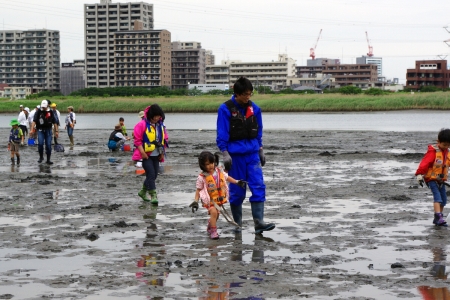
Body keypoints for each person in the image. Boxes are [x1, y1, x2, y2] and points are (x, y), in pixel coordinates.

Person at [216, 76, 275, 234]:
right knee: (237, 190)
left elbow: (259, 130)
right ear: (236, 93)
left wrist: (260, 148)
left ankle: (259, 223)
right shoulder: (225, 109)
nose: (247, 97)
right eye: (245, 94)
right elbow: (222, 133)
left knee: (258, 185)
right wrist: (225, 153)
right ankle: (237, 225)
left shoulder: (255, 109)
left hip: (252, 154)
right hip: (235, 156)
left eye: (250, 94)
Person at [189, 151, 246, 239]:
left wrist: (237, 182)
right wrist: (196, 201)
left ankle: (210, 226)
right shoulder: (202, 177)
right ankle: (214, 231)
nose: (210, 166)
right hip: (209, 200)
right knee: (214, 212)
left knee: (216, 216)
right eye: (207, 164)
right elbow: (198, 190)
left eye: (212, 163)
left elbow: (227, 177)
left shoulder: (219, 171)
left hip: (218, 199)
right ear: (202, 165)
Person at [132, 104, 167, 205]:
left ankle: (142, 192)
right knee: (151, 174)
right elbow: (137, 140)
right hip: (146, 155)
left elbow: (164, 140)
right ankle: (153, 195)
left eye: (158, 116)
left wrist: (162, 153)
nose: (157, 118)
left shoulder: (160, 126)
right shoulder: (142, 125)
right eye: (155, 116)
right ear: (150, 115)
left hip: (156, 155)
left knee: (154, 175)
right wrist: (142, 153)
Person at [416, 128, 450, 227]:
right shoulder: (433, 152)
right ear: (438, 142)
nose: (446, 147)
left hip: (441, 180)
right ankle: (438, 217)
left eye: (448, 145)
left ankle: (439, 218)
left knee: (443, 200)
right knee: (437, 198)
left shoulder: (447, 153)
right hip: (431, 179)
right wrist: (419, 174)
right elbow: (424, 163)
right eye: (444, 145)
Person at [30, 99, 58, 164]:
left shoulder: (50, 112)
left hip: (48, 130)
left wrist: (56, 131)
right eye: (42, 107)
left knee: (48, 145)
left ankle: (48, 159)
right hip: (40, 130)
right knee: (40, 144)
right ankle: (41, 157)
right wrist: (31, 130)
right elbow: (34, 121)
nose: (43, 108)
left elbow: (55, 122)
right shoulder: (38, 111)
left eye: (44, 107)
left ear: (47, 106)